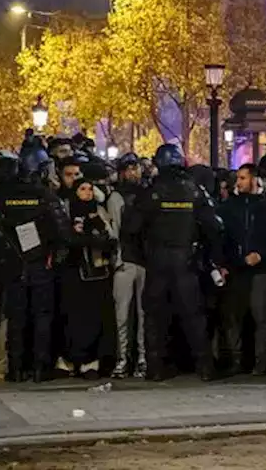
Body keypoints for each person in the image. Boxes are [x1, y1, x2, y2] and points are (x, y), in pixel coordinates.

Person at [133, 144, 225, 382]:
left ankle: (155, 367)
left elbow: (131, 229)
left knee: (155, 316)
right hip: (186, 260)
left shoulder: (150, 192)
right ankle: (205, 366)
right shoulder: (194, 191)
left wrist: (143, 257)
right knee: (194, 315)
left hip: (157, 260)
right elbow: (214, 226)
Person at [0, 144, 67, 382]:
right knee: (42, 316)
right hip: (40, 263)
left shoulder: (6, 195)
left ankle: (16, 368)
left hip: (14, 263)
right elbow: (62, 232)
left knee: (17, 317)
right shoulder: (46, 197)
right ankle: (39, 367)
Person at [218, 163, 266, 376]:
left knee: (261, 315)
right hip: (237, 268)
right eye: (238, 178)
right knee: (234, 316)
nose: (239, 182)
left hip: (261, 268)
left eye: (243, 178)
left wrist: (262, 255)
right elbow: (222, 238)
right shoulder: (230, 207)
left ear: (254, 179)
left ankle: (261, 361)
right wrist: (225, 264)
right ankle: (237, 359)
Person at [57, 179, 117, 379]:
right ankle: (70, 360)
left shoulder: (99, 211)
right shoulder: (67, 212)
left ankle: (91, 361)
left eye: (91, 189)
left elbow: (110, 237)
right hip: (73, 273)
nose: (87, 193)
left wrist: (95, 230)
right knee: (73, 318)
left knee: (94, 319)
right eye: (82, 189)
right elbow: (66, 239)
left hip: (97, 273)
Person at [108, 155, 147, 379]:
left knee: (139, 314)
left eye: (136, 169)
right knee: (124, 314)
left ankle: (136, 358)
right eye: (129, 169)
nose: (134, 173)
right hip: (128, 259)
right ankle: (125, 358)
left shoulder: (122, 195)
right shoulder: (119, 196)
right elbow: (115, 231)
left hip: (135, 260)